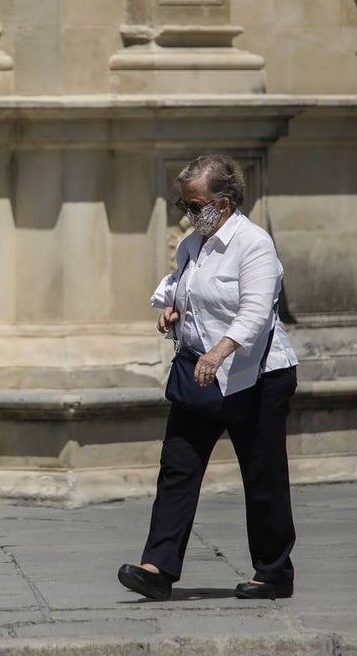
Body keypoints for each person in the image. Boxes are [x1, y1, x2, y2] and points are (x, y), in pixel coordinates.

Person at [118, 155, 300, 602]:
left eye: (195, 205)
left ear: (223, 203)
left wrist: (220, 351)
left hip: (257, 377)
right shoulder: (191, 244)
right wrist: (171, 308)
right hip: (199, 375)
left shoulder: (253, 244)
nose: (188, 213)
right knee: (177, 466)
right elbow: (183, 286)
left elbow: (256, 311)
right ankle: (158, 568)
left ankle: (274, 572)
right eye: (183, 204)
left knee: (262, 475)